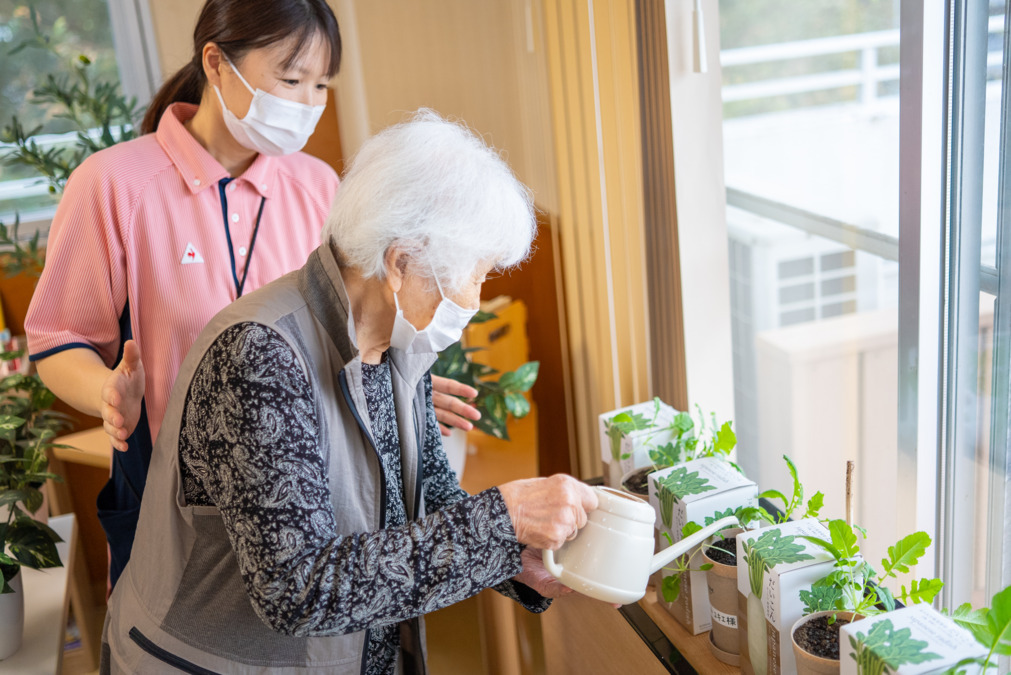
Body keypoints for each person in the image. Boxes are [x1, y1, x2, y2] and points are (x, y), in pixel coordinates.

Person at [102, 110, 599, 674]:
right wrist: (500, 521)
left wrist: (516, 556)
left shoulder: (391, 344)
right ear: (401, 263)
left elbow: (426, 495)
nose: (475, 299)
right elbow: (296, 588)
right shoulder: (259, 357)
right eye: (475, 275)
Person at [23, 0, 479, 589]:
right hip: (176, 501)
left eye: (320, 85)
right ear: (216, 63)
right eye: (290, 80)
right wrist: (106, 392)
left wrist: (392, 386)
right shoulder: (113, 185)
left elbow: (347, 326)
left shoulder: (318, 187)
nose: (308, 103)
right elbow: (61, 337)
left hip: (304, 498)